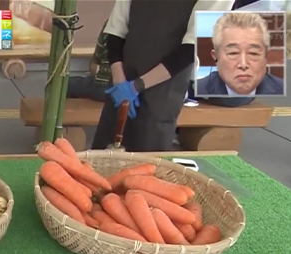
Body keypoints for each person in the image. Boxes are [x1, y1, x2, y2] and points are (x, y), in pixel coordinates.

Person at [91, 0, 235, 152]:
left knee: (147, 153)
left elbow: (191, 48)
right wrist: (119, 81)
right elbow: (115, 31)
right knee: (103, 151)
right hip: (121, 79)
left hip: (163, 89)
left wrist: (137, 86)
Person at [195, 12, 284, 97]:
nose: (243, 64)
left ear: (266, 56)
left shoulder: (285, 91)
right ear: (216, 57)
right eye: (233, 53)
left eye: (253, 53)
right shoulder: (195, 91)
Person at [66, 20, 112, 102]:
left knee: (64, 84)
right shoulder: (136, 27)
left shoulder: (111, 24)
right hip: (132, 91)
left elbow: (93, 65)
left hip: (104, 88)